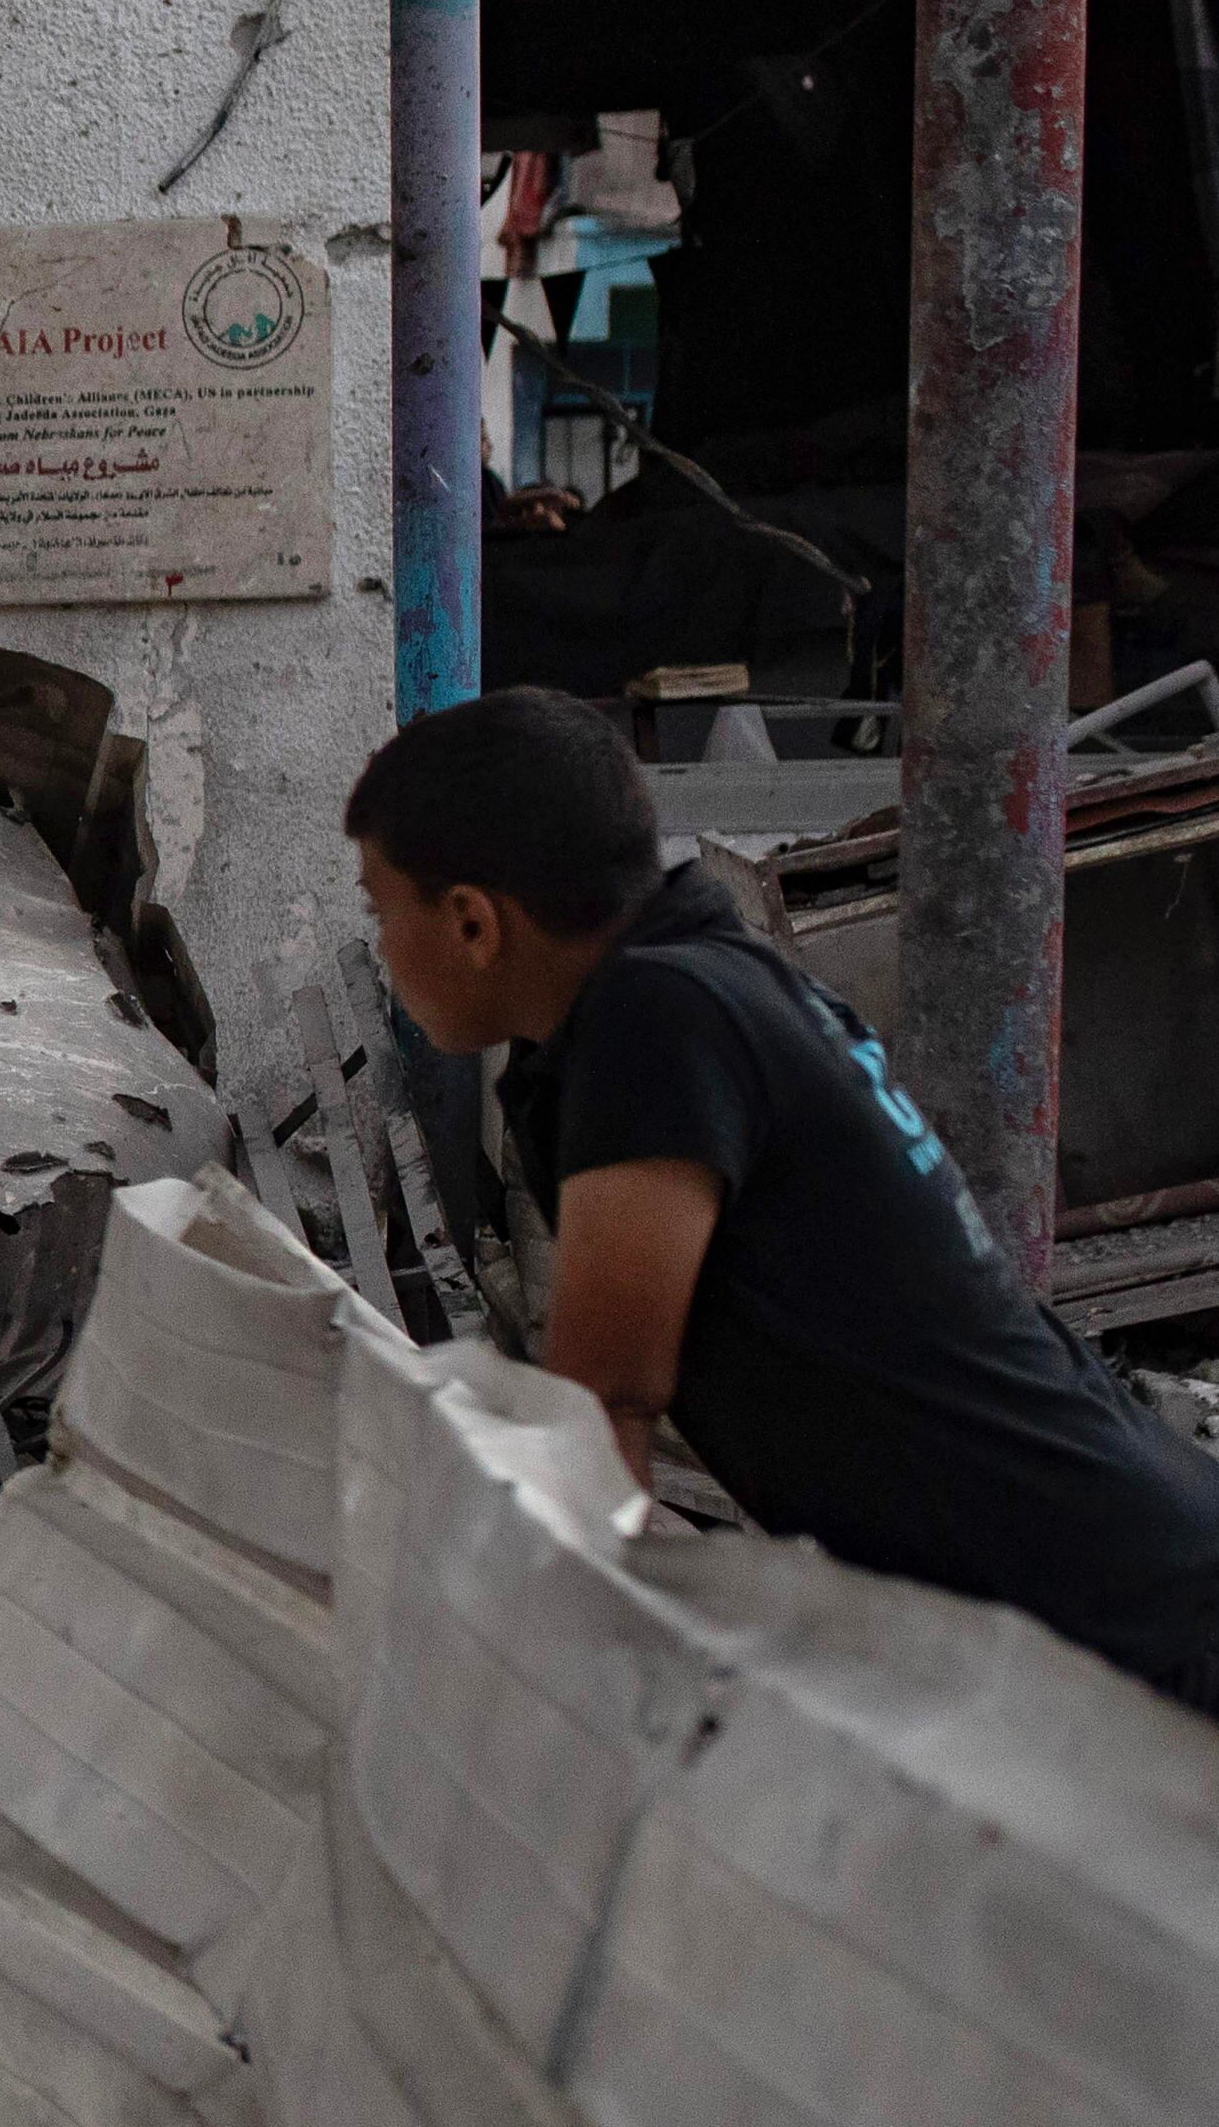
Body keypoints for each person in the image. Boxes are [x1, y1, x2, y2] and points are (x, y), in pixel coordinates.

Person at [343, 685, 1219, 1713]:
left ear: (470, 922)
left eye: (376, 908)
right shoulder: (705, 982)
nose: (380, 944)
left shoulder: (651, 1020)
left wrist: (565, 1701)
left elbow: (601, 1406)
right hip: (1096, 1570)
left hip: (1102, 1625)